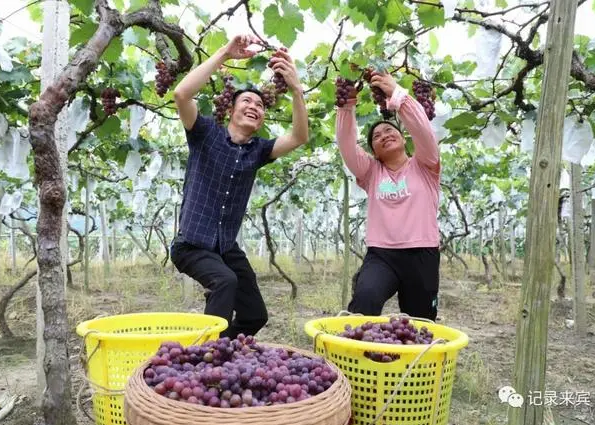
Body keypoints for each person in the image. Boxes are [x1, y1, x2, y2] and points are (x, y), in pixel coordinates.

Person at [170, 35, 309, 338]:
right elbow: (181, 94)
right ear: (231, 110)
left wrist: (296, 88)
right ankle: (210, 358)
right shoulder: (205, 132)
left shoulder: (259, 151)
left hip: (226, 247)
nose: (254, 106)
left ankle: (219, 348)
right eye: (246, 101)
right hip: (192, 245)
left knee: (255, 316)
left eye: (260, 105)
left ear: (261, 120)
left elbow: (299, 137)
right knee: (225, 282)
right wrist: (224, 54)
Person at [335, 71, 441, 321]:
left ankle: (413, 359)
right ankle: (356, 356)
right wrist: (346, 105)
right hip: (381, 254)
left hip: (422, 254)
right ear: (373, 152)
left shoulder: (426, 165)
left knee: (421, 322)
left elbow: (423, 130)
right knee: (365, 300)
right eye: (377, 137)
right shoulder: (371, 173)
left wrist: (398, 95)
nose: (384, 135)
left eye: (389, 130)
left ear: (404, 139)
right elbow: (346, 144)